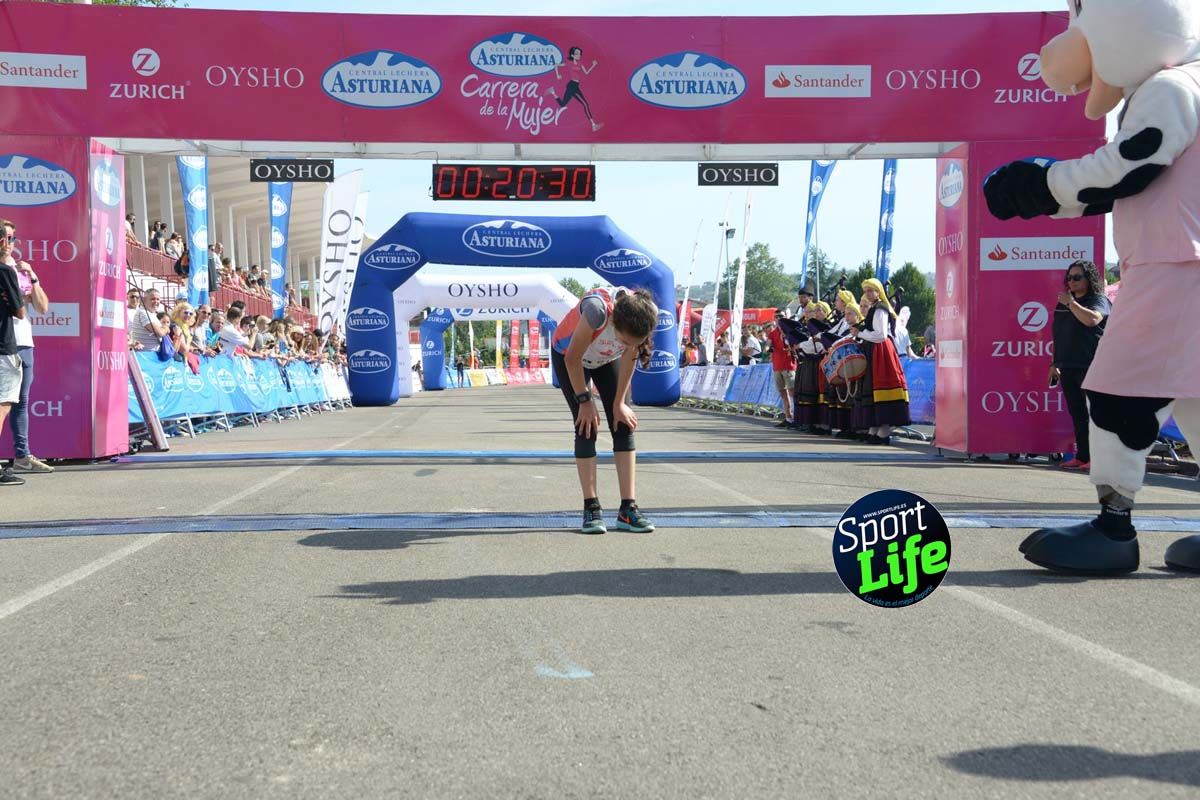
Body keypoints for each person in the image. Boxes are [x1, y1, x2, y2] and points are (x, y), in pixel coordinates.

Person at [551, 286, 658, 535]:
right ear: (615, 323)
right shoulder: (597, 311)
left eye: (633, 342)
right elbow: (572, 359)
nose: (626, 344)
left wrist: (619, 402)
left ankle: (628, 509)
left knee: (623, 424)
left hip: (605, 360)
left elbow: (631, 354)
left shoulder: (646, 313)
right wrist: (585, 400)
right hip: (571, 357)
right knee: (586, 426)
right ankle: (591, 507)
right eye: (622, 339)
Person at [1, 220, 53, 474]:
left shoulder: (21, 270)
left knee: (20, 402)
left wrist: (33, 277)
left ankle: (22, 456)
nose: (8, 244)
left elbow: (42, 307)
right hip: (3, 343)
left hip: (23, 343)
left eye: (12, 239)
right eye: (5, 238)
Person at [1051, 260, 1110, 471]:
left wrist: (1071, 304)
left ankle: (1101, 459)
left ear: (1089, 279)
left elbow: (1092, 320)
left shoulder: (1098, 300)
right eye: (1069, 278)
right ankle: (1082, 456)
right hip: (1068, 365)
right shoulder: (1064, 303)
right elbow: (1058, 334)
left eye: (1077, 277)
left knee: (1097, 415)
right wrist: (1054, 362)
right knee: (1078, 414)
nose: (1072, 281)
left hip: (1091, 365)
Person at [852, 278, 911, 445]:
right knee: (873, 386)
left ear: (878, 292)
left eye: (871, 290)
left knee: (882, 385)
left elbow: (881, 335)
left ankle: (883, 429)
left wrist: (860, 333)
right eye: (866, 291)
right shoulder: (875, 308)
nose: (868, 294)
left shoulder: (880, 309)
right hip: (875, 350)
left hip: (881, 351)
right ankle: (877, 427)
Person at [0, 227, 29, 485]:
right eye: (9, 239)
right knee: (2, 406)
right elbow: (20, 312)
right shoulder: (5, 270)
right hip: (3, 347)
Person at [547, 46, 603, 132]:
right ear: (572, 55)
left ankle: (553, 92)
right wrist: (557, 75)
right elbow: (556, 65)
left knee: (562, 104)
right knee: (585, 104)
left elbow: (586, 73)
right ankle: (593, 125)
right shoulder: (569, 63)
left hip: (575, 85)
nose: (579, 55)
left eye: (580, 53)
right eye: (577, 53)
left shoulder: (580, 63)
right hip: (572, 86)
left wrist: (593, 65)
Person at [766, 309, 798, 427]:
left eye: (781, 316)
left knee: (792, 392)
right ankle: (788, 418)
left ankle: (796, 418)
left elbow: (795, 345)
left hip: (788, 365)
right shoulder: (773, 333)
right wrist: (768, 348)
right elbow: (769, 343)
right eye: (776, 317)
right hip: (777, 366)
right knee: (783, 394)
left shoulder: (791, 331)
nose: (778, 319)